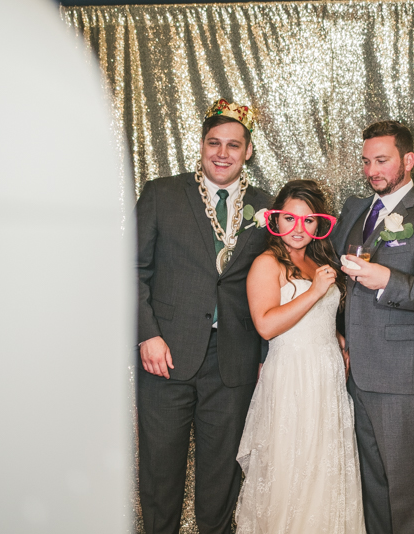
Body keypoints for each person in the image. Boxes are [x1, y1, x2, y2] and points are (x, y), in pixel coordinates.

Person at [135, 98, 272, 534]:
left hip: (233, 360)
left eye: (233, 145)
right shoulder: (162, 194)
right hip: (166, 355)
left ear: (248, 150)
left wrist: (272, 350)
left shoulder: (268, 207)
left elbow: (282, 281)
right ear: (201, 145)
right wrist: (146, 336)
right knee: (161, 472)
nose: (222, 153)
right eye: (214, 143)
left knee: (221, 477)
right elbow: (130, 271)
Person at [331, 120, 414, 534]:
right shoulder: (357, 211)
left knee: (407, 487)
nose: (371, 170)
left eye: (381, 160)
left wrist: (388, 280)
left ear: (408, 160)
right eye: (366, 161)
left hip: (404, 372)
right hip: (359, 371)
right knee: (375, 484)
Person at [235, 180, 365, 534]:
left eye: (308, 221)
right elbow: (266, 325)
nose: (298, 228)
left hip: (327, 374)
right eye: (290, 219)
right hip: (292, 375)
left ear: (319, 224)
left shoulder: (317, 258)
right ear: (276, 221)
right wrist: (316, 292)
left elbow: (319, 316)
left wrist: (334, 335)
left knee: (324, 467)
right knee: (292, 465)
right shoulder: (267, 263)